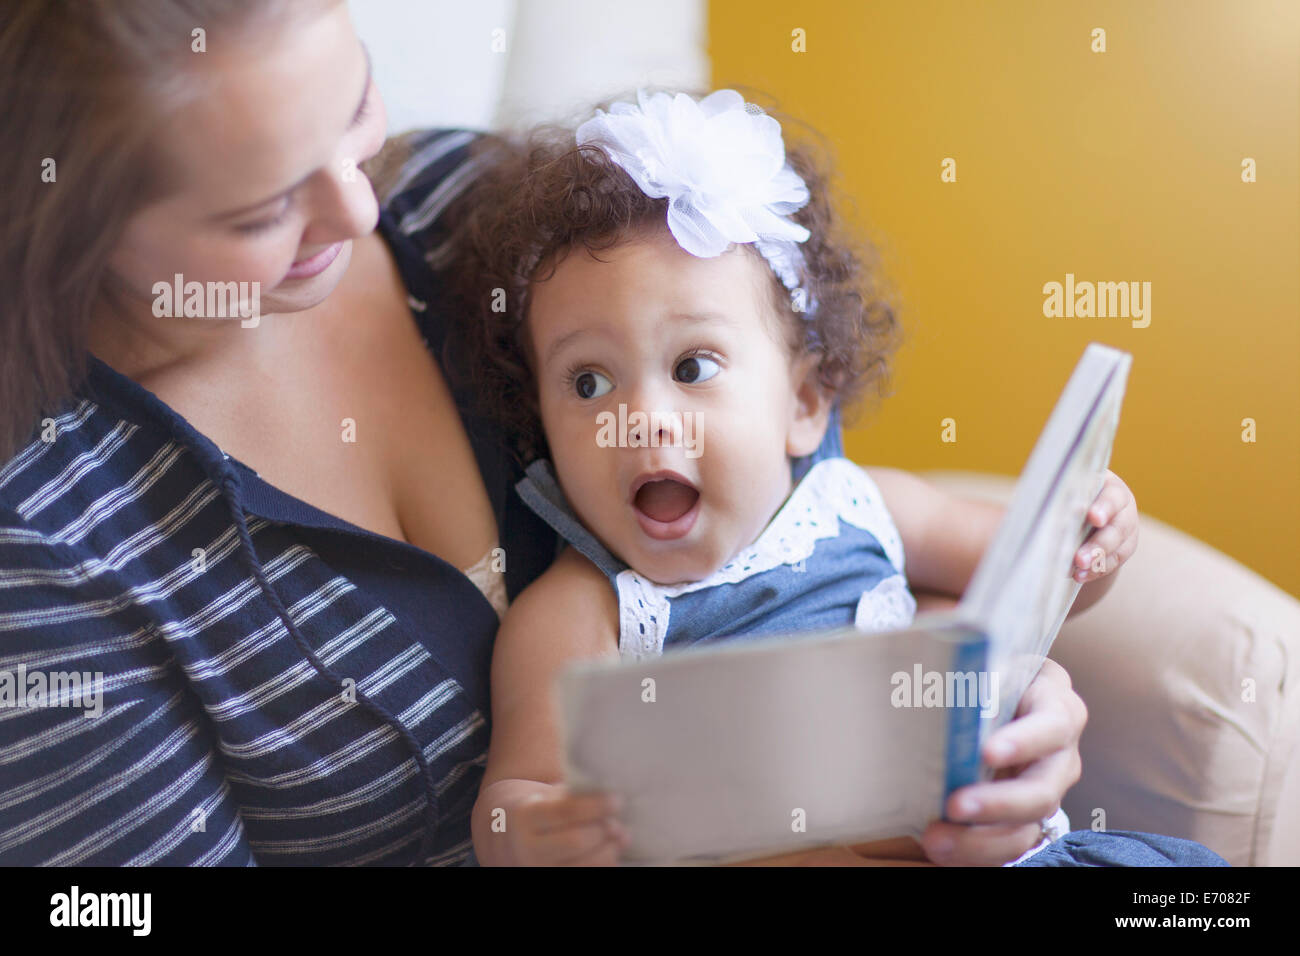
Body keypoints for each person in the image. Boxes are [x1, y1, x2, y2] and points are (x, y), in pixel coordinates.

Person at [0, 0, 1205, 867]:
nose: (358, 206)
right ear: (73, 215)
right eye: (263, 206)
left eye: (355, 103)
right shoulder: (49, 556)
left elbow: (794, 494)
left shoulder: (495, 223)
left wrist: (998, 702)